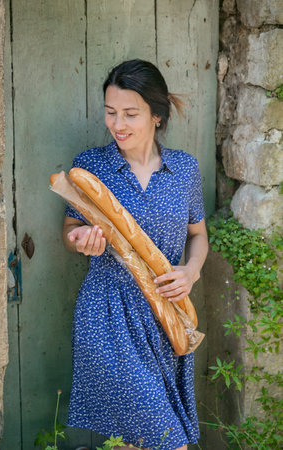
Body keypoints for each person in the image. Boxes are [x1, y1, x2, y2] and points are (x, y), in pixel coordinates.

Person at [62, 59, 208, 450]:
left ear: (157, 116)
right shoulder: (91, 165)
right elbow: (71, 231)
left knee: (138, 443)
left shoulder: (185, 169)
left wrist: (190, 273)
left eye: (130, 113)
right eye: (110, 113)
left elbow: (199, 236)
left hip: (166, 315)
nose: (117, 124)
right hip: (107, 316)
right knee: (167, 442)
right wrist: (81, 240)